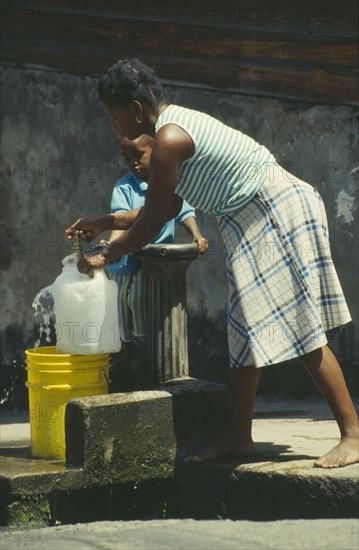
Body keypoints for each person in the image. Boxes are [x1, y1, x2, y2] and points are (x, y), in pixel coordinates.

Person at [67, 58, 358, 469]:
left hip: (272, 208)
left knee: (297, 323)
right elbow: (164, 207)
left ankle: (353, 435)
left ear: (134, 109)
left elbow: (153, 220)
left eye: (113, 116)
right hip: (248, 217)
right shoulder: (169, 132)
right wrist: (106, 222)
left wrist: (107, 254)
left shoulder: (168, 139)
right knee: (243, 333)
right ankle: (240, 436)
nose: (113, 125)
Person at [105, 133, 207, 374]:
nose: (132, 162)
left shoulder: (167, 182)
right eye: (126, 157)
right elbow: (118, 221)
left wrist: (197, 234)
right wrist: (109, 250)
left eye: (138, 155)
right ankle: (128, 354)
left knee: (137, 300)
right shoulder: (124, 187)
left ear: (156, 153)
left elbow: (185, 211)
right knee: (120, 304)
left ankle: (142, 353)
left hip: (150, 261)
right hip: (126, 256)